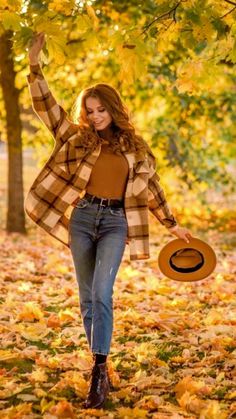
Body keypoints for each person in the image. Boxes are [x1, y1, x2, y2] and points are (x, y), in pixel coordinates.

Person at [27, 32, 193, 409]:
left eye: (101, 110)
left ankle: (99, 372)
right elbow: (46, 106)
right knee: (87, 298)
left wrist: (172, 224)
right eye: (89, 110)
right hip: (82, 219)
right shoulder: (76, 138)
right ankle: (99, 362)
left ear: (113, 110)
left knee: (102, 293)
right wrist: (35, 65)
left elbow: (152, 190)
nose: (95, 116)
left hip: (116, 223)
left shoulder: (135, 147)